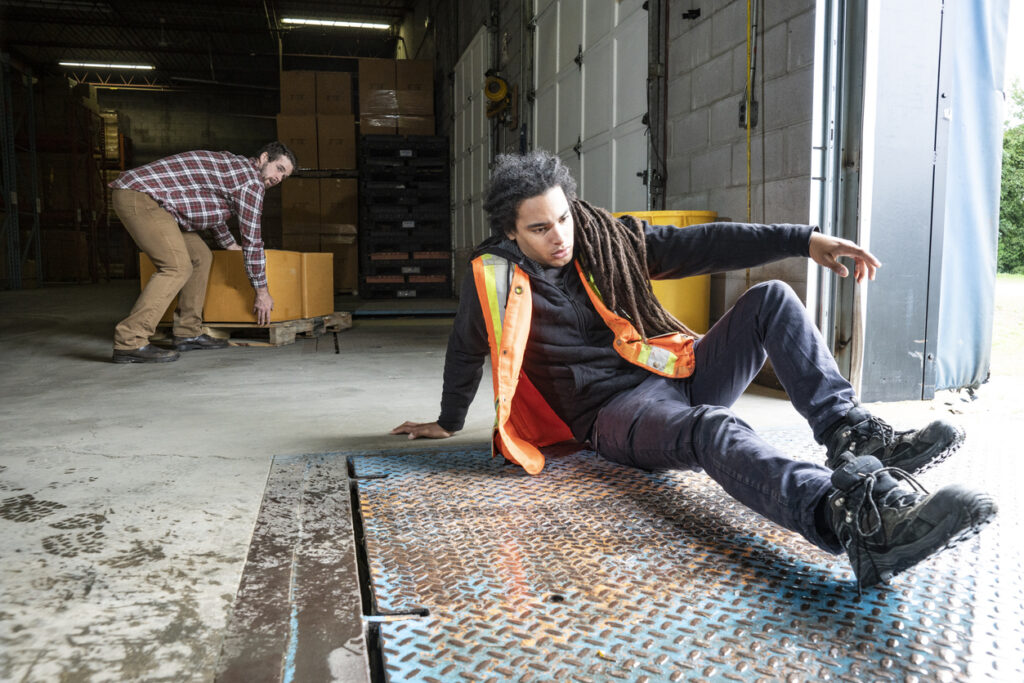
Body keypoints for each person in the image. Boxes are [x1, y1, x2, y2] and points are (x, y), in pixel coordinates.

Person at [392, 150, 997, 590]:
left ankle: (851, 434)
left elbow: (702, 244)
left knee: (772, 301)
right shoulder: (492, 279)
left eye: (564, 218)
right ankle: (850, 524)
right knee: (711, 427)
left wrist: (803, 239)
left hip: (669, 370)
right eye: (540, 228)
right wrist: (448, 420)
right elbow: (467, 346)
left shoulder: (604, 239)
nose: (561, 237)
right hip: (613, 413)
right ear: (509, 231)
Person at [108, 142, 296, 363]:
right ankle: (130, 340)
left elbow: (208, 208)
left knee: (201, 256)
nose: (278, 179)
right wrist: (262, 292)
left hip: (159, 204)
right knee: (176, 267)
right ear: (264, 158)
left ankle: (187, 332)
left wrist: (228, 244)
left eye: (284, 177)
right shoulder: (251, 182)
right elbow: (253, 242)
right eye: (279, 169)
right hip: (140, 196)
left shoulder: (236, 169)